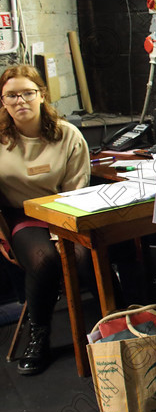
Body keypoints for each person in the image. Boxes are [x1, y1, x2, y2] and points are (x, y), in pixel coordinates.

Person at [0, 65, 92, 375]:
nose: (20, 101)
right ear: (3, 101)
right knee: (43, 260)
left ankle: (111, 329)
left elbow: (77, 190)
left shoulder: (67, 135)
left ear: (42, 95)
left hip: (65, 212)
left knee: (82, 258)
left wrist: (61, 229)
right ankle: (38, 335)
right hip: (21, 215)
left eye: (27, 92)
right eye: (11, 95)